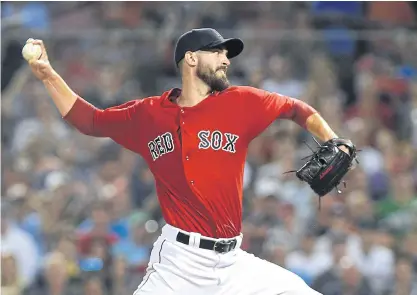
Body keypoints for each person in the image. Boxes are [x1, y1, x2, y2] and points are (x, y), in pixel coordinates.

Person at [26, 28, 351, 295]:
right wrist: (49, 75)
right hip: (180, 264)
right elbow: (90, 121)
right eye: (218, 51)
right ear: (192, 58)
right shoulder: (148, 114)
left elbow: (295, 108)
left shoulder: (241, 102)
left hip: (234, 263)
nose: (226, 59)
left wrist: (332, 138)